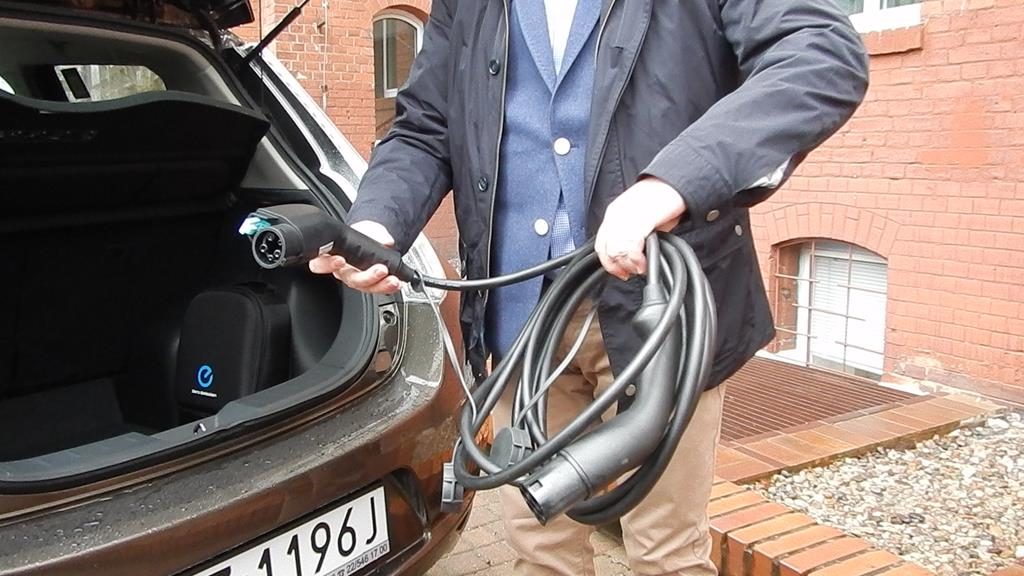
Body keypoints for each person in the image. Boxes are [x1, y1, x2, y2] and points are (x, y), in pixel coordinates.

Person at [310, 0, 869, 573]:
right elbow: (426, 126)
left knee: (667, 554)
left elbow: (820, 55)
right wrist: (379, 222)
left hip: (658, 316)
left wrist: (672, 183)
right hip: (521, 324)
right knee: (540, 553)